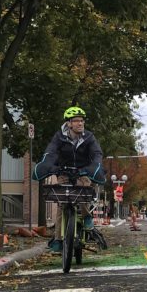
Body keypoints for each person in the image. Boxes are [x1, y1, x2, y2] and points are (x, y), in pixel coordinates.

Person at [31, 106, 105, 250]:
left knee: (84, 190)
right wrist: (49, 166)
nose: (80, 123)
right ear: (69, 123)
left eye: (82, 121)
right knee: (61, 201)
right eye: (76, 121)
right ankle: (58, 239)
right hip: (63, 172)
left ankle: (86, 216)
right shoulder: (59, 137)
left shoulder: (89, 137)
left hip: (83, 172)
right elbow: (50, 152)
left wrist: (94, 166)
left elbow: (97, 153)